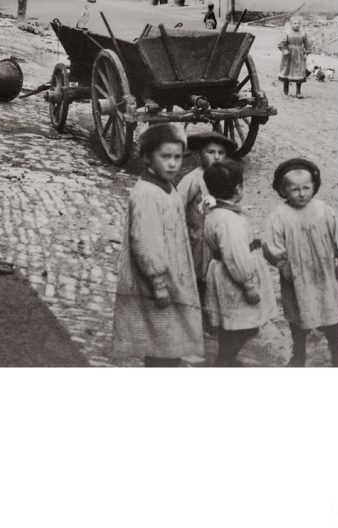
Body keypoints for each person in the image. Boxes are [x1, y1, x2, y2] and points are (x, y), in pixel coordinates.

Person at [113, 124, 203, 367]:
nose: (173, 164)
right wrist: (158, 281)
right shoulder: (147, 194)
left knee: (168, 340)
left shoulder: (168, 189)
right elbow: (146, 240)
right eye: (165, 157)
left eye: (177, 157)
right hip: (157, 283)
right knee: (161, 341)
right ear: (146, 158)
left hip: (172, 275)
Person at [264, 158, 338, 367]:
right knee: (297, 313)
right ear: (283, 190)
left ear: (314, 187)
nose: (301, 194)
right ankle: (299, 352)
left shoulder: (323, 210)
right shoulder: (279, 216)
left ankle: (336, 349)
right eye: (295, 189)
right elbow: (272, 245)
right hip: (296, 276)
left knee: (328, 308)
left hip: (322, 272)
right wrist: (282, 265)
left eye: (306, 188)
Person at [202, 159, 278, 366]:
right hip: (234, 279)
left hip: (225, 273)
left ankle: (226, 357)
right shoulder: (228, 221)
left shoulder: (217, 211)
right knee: (241, 324)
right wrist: (248, 284)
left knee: (234, 322)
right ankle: (224, 361)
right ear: (237, 188)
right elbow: (235, 255)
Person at [176, 130, 238, 294]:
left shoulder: (225, 179)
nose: (216, 157)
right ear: (199, 154)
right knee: (196, 277)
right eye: (211, 152)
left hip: (217, 239)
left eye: (221, 153)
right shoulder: (193, 179)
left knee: (216, 276)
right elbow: (175, 207)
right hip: (197, 238)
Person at [278, 15, 312, 97]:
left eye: (298, 23)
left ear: (300, 24)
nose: (296, 25)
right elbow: (281, 44)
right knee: (287, 71)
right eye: (295, 23)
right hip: (289, 55)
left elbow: (307, 44)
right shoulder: (287, 32)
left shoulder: (303, 33)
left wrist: (306, 53)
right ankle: (285, 91)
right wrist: (284, 50)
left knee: (299, 72)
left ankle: (298, 92)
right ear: (291, 24)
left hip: (299, 55)